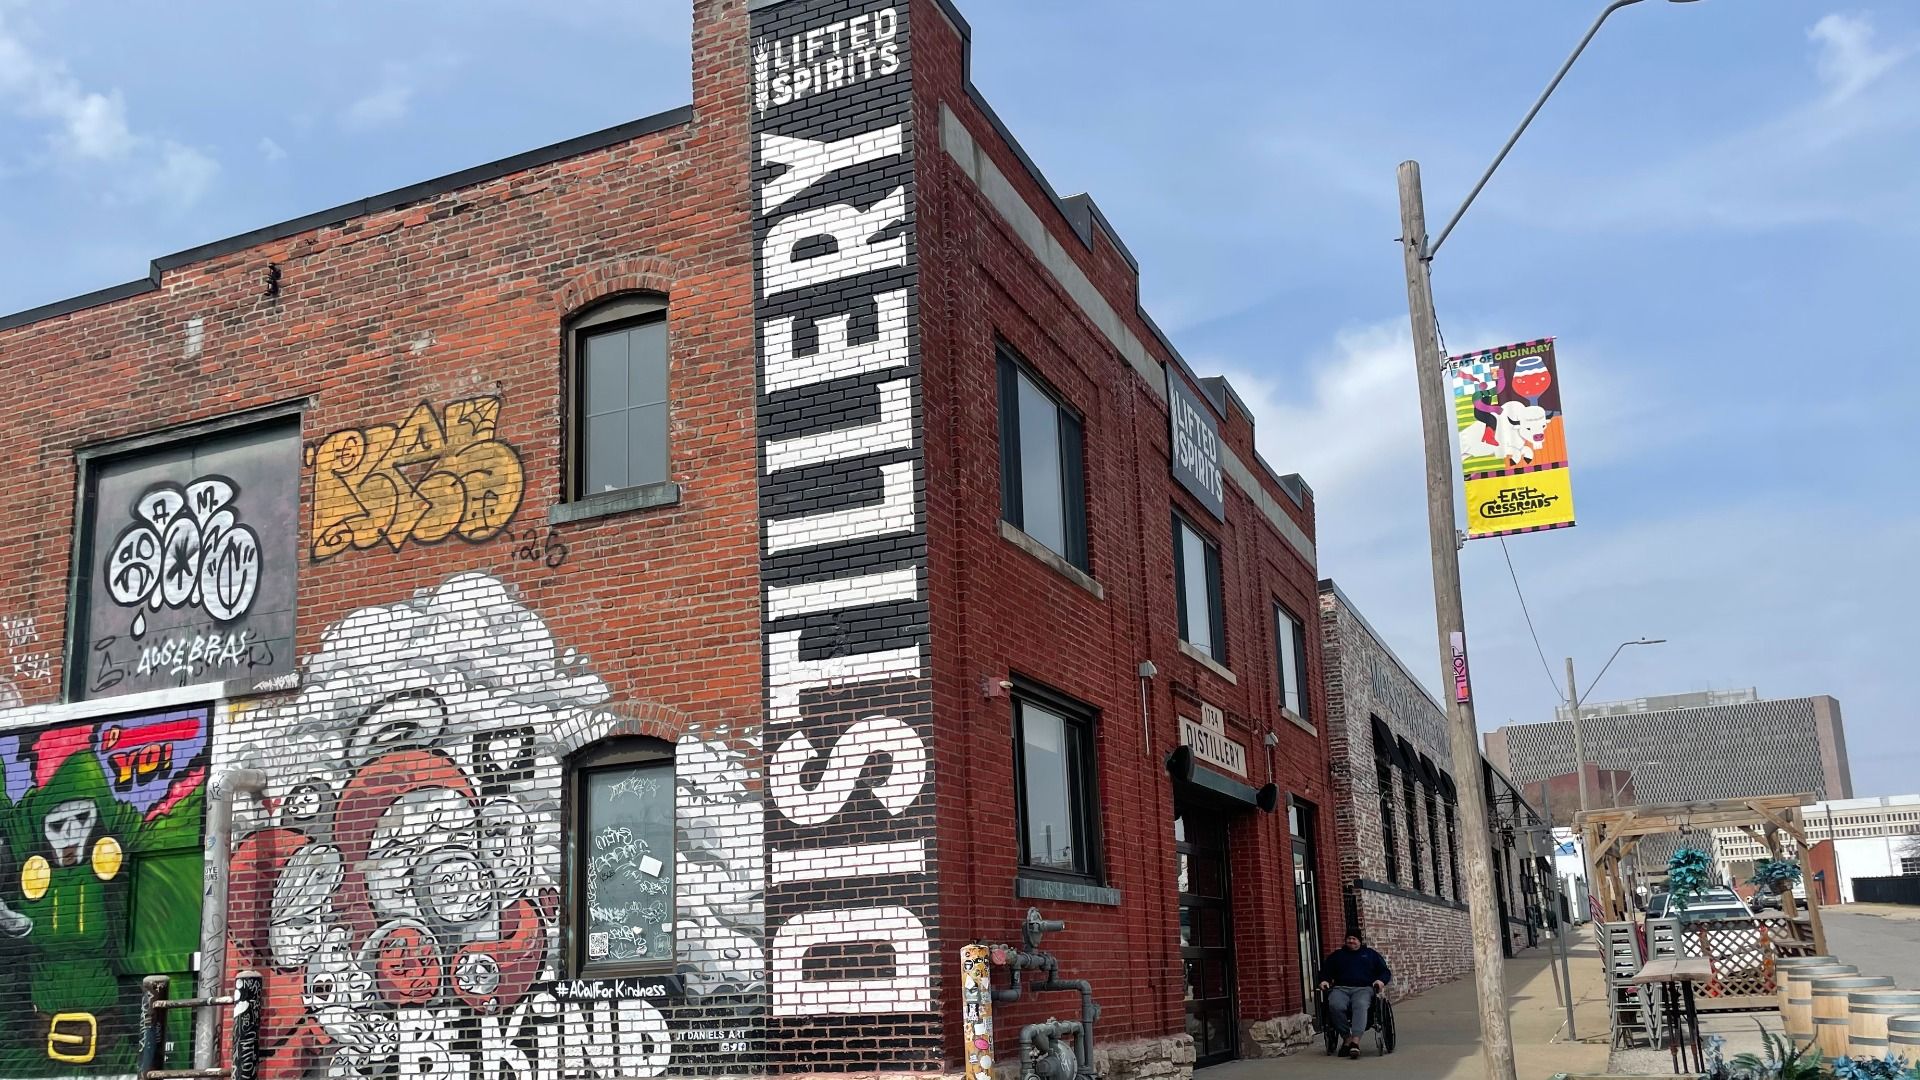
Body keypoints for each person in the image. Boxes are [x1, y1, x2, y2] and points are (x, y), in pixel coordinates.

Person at [1318, 933, 1391, 1059]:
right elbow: (1325, 972)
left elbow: (1384, 971)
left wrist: (1380, 981)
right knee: (1335, 1005)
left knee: (1360, 1004)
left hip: (1364, 988)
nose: (1351, 941)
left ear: (1359, 941)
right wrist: (1324, 980)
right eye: (1349, 938)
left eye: (1354, 939)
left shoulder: (1370, 954)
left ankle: (1355, 1042)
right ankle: (1347, 1038)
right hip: (1341, 988)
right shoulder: (1337, 956)